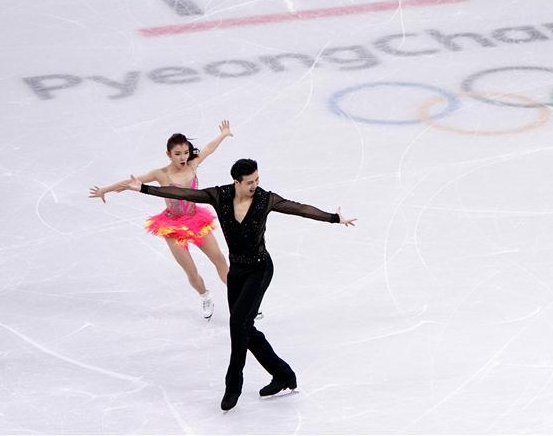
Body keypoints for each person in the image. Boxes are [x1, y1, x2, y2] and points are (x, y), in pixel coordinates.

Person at [122, 158, 356, 411]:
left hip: (260, 269)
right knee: (246, 328)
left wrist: (333, 218)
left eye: (257, 180)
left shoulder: (266, 199)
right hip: (237, 272)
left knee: (237, 324)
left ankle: (233, 386)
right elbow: (185, 193)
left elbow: (297, 208)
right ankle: (283, 374)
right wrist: (145, 189)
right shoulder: (220, 195)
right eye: (250, 182)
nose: (255, 185)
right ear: (237, 182)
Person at [89, 121, 233, 320]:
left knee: (220, 260)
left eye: (185, 152)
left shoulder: (193, 163)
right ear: (168, 154)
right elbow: (130, 182)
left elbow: (208, 148)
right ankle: (204, 295)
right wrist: (105, 189)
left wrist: (224, 134)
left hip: (196, 220)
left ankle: (240, 300)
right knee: (191, 272)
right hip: (173, 227)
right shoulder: (161, 174)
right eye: (178, 154)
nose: (183, 157)